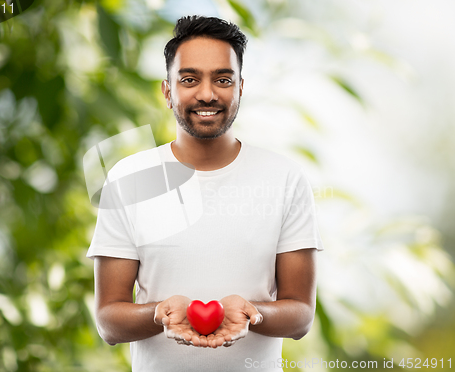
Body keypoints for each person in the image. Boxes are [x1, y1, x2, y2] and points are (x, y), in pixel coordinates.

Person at [86, 15, 324, 372]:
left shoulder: (284, 178)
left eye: (223, 79)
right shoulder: (129, 179)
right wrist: (159, 314)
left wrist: (252, 313)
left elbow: (301, 316)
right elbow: (108, 322)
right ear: (168, 91)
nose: (208, 93)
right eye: (189, 79)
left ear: (240, 87)